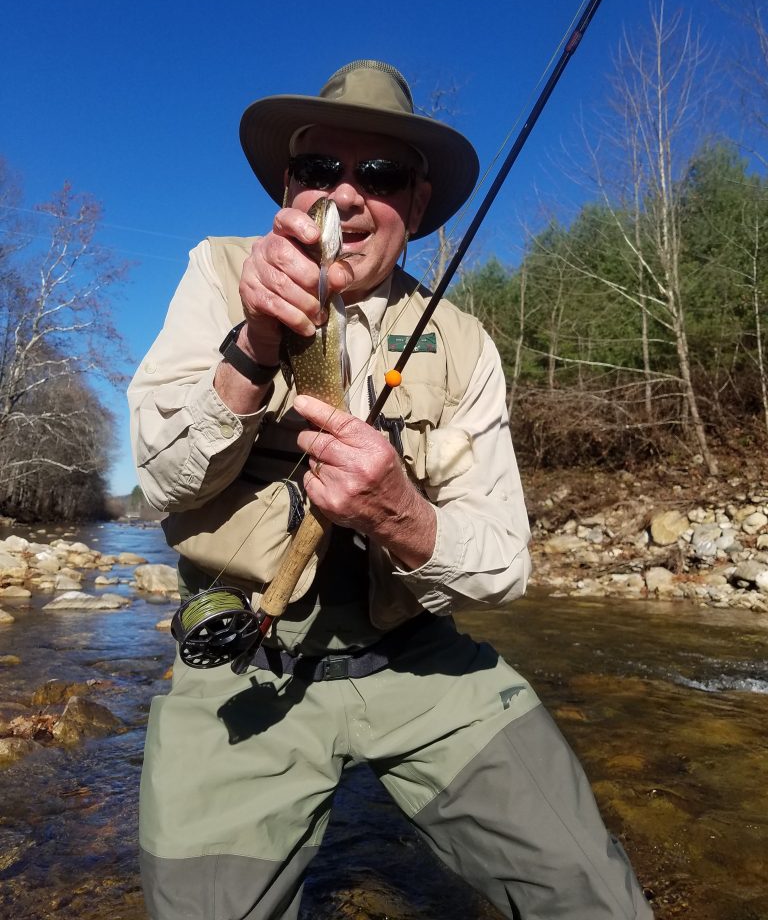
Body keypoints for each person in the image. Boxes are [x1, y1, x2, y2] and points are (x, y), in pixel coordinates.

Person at [128, 59, 653, 920]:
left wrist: (402, 517)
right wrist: (252, 347)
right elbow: (159, 479)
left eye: (378, 175)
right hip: (247, 660)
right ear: (289, 188)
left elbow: (502, 567)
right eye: (316, 170)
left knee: (593, 898)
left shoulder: (467, 341)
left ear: (415, 203)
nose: (344, 195)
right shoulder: (220, 272)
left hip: (417, 656)